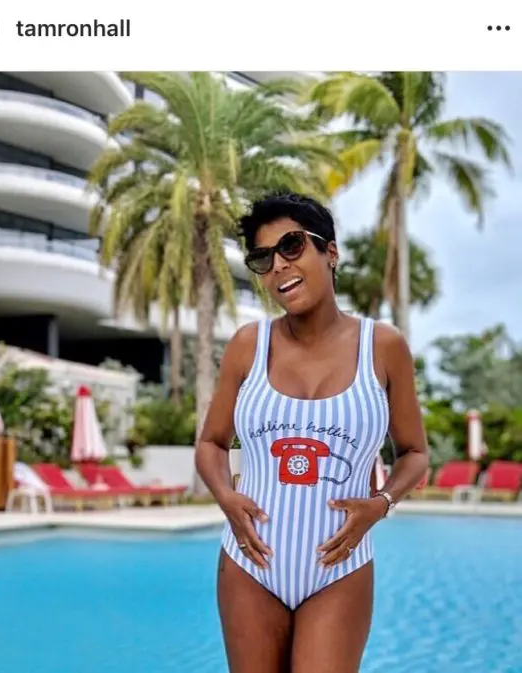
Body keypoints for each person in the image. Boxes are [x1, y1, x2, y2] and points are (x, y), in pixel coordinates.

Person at [194, 192, 429, 673]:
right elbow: (211, 443)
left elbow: (415, 453)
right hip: (250, 564)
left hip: (339, 569)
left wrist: (381, 504)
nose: (278, 265)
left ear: (330, 252)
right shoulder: (248, 346)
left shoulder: (382, 347)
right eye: (263, 258)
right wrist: (226, 498)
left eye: (292, 246)